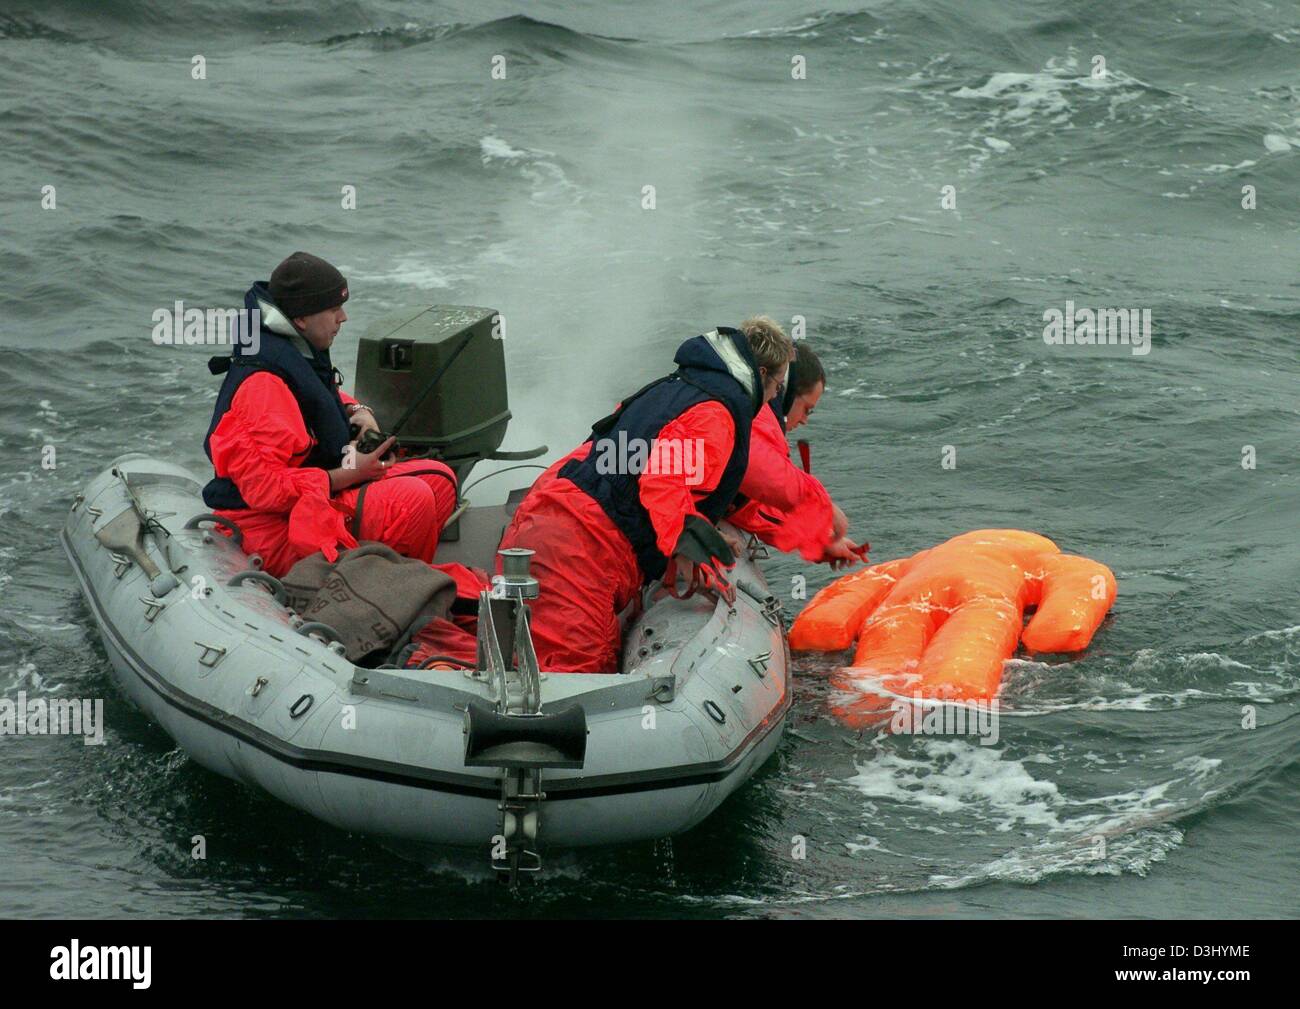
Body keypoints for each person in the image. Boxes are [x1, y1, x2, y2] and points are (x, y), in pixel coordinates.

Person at [495, 318, 795, 673]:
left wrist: (701, 530)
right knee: (571, 674)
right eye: (777, 385)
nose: (776, 396)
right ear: (761, 374)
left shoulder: (680, 386)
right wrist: (690, 550)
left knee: (540, 653)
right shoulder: (715, 413)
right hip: (582, 544)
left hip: (560, 514)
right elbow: (663, 480)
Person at [202, 252, 458, 577]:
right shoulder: (261, 386)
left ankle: (396, 584)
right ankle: (376, 595)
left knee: (439, 479)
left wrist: (357, 411)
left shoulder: (291, 348)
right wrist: (351, 473)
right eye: (334, 309)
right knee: (413, 498)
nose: (344, 317)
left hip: (310, 502)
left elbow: (315, 394)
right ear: (301, 319)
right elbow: (265, 490)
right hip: (273, 531)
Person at [729, 341, 865, 569]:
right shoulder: (758, 416)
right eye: (806, 409)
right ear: (785, 391)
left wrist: (818, 540)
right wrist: (822, 505)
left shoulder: (746, 408)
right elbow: (756, 470)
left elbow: (748, 506)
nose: (804, 420)